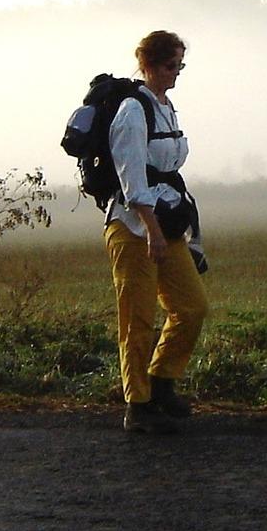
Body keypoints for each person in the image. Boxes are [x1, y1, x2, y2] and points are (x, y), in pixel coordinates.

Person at [104, 30, 209, 435]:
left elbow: (168, 166)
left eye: (181, 66)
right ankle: (138, 403)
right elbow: (131, 174)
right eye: (171, 66)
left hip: (165, 222)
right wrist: (150, 229)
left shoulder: (165, 106)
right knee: (138, 318)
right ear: (147, 64)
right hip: (133, 227)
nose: (176, 73)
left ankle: (163, 380)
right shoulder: (133, 110)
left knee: (192, 306)